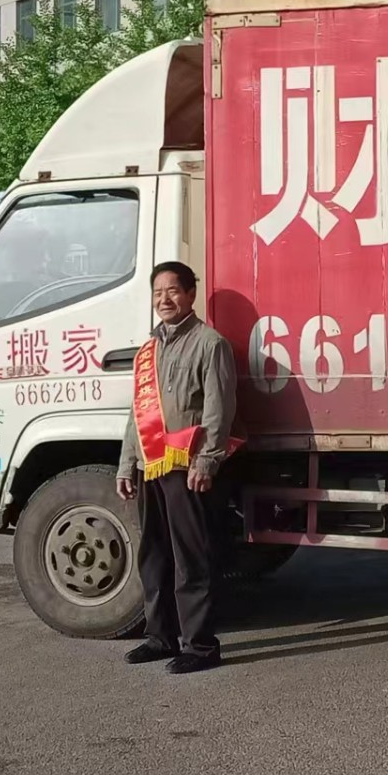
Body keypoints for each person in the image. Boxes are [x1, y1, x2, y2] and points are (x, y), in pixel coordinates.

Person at [116, 260, 238, 674]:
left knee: (190, 557)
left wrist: (208, 460)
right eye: (157, 293)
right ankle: (160, 636)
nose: (164, 299)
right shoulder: (148, 351)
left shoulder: (210, 344)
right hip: (150, 466)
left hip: (187, 467)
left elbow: (219, 410)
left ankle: (201, 646)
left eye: (172, 291)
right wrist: (126, 465)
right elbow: (136, 414)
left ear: (190, 294)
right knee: (153, 554)